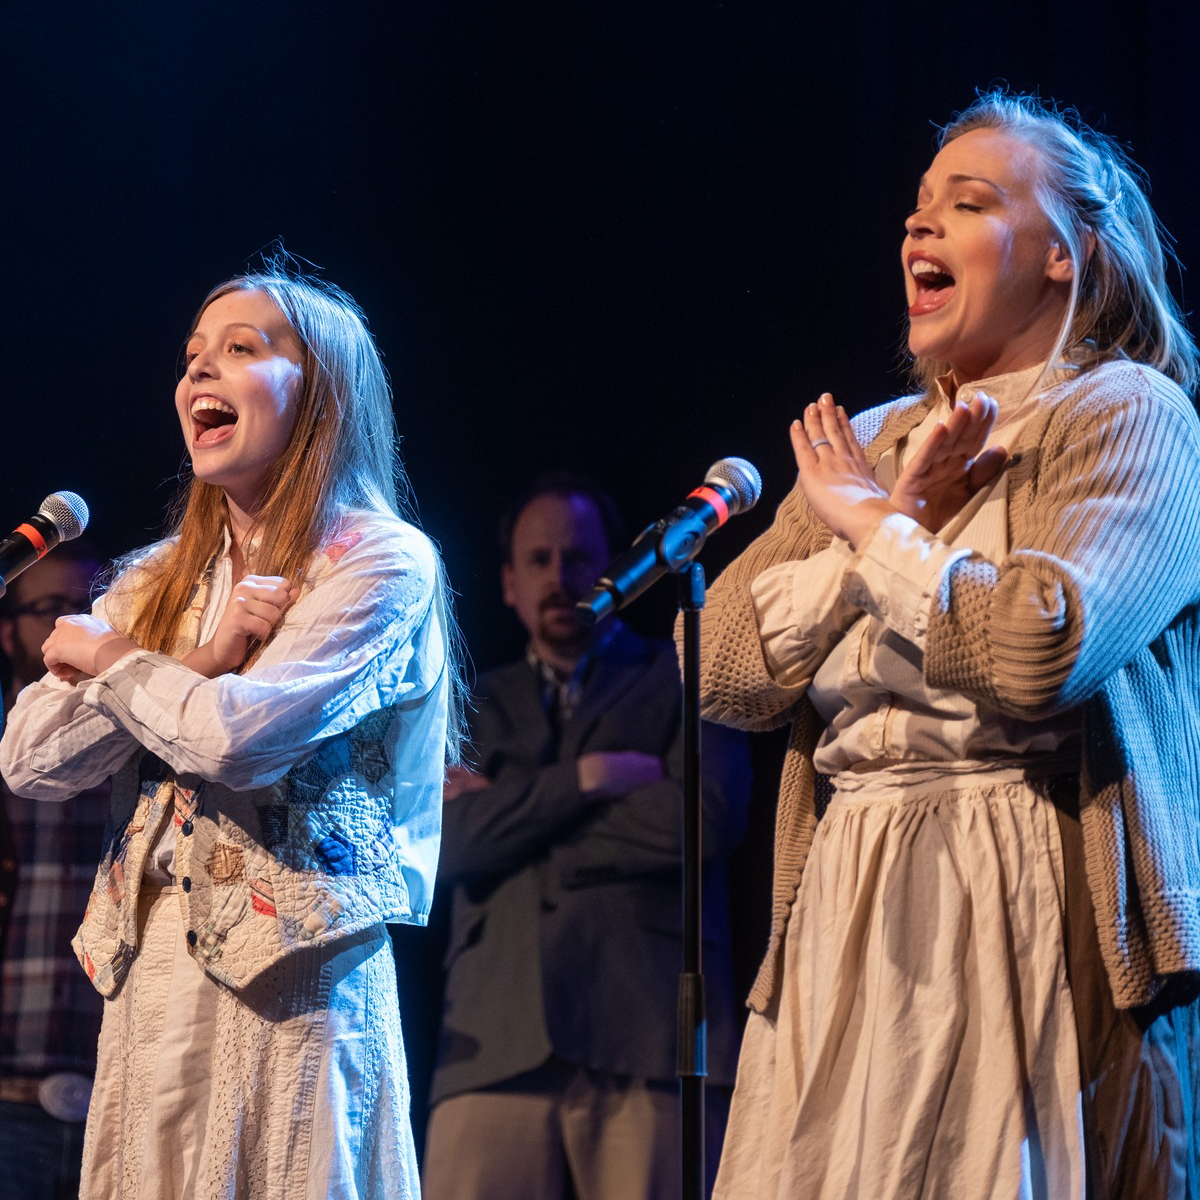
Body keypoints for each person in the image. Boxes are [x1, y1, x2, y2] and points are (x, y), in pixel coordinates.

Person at [695, 91, 1200, 1200]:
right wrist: (883, 523)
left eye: (967, 206)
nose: (919, 229)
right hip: (847, 888)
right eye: (918, 208)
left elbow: (1038, 650)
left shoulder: (1126, 415)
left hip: (1027, 876)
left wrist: (879, 529)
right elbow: (719, 664)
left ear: (1065, 257)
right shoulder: (870, 439)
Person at [0, 267, 462, 1200]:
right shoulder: (156, 576)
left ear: (321, 391)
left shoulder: (379, 561)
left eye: (243, 349)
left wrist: (119, 660)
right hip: (154, 980)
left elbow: (238, 741)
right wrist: (194, 662)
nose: (200, 370)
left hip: (295, 986)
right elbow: (28, 756)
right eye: (193, 356)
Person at [423, 474, 751, 1200]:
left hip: (648, 1036)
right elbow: (439, 846)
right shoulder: (465, 706)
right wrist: (591, 780)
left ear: (615, 565)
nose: (559, 576)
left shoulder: (688, 668)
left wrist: (511, 813)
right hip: (493, 1039)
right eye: (537, 561)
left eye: (578, 557)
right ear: (507, 583)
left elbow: (707, 820)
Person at [0, 543, 109, 1200]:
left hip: (118, 1091)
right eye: (50, 609)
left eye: (87, 607)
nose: (70, 625)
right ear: (10, 630)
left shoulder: (145, 746)